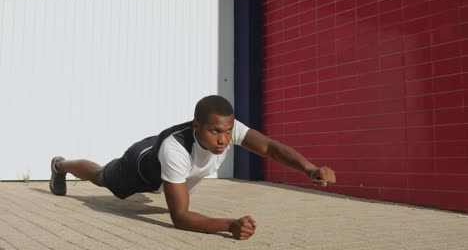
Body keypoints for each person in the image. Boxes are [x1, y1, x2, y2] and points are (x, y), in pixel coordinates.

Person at [49, 95, 336, 240]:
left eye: (227, 131)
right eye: (214, 132)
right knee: (101, 177)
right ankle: (60, 165)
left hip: (163, 153)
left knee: (172, 186)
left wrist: (309, 168)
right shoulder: (176, 151)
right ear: (197, 125)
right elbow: (181, 217)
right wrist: (228, 225)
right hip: (141, 164)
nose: (224, 140)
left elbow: (269, 147)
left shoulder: (226, 128)